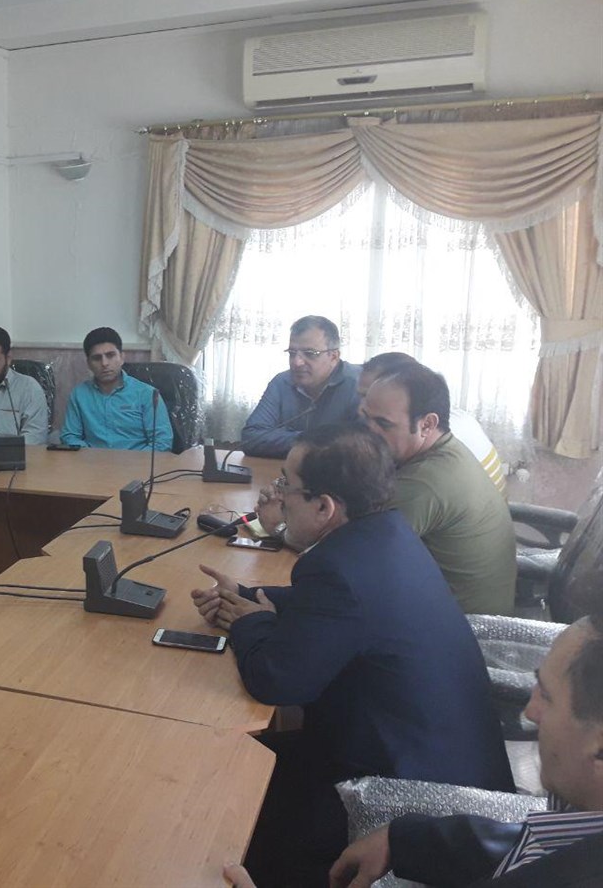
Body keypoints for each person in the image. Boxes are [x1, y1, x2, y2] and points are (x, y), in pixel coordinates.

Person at [192, 422, 513, 888]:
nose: (277, 496)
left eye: (286, 485)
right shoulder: (388, 533)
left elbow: (277, 680)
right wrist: (245, 595)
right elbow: (335, 609)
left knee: (229, 783)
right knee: (242, 763)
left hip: (406, 792)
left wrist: (246, 620)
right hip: (448, 765)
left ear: (324, 507)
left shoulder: (336, 568)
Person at [329, 607, 603, 888]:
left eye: (546, 696)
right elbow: (531, 846)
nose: (530, 710)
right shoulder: (581, 808)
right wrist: (405, 840)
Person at [360, 361, 516, 615]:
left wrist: (294, 530)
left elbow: (359, 561)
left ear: (427, 424)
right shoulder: (449, 449)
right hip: (467, 608)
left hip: (465, 625)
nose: (368, 432)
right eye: (366, 418)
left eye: (383, 424)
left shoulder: (423, 483)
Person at [358, 351, 507, 492]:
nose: (361, 407)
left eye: (369, 394)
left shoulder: (436, 435)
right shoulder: (448, 417)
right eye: (360, 396)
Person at [239, 315, 362, 458]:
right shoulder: (281, 382)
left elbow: (360, 448)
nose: (297, 362)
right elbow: (251, 437)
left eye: (310, 354)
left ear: (333, 357)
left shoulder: (360, 385)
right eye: (292, 353)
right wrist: (312, 440)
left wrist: (290, 439)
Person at [60, 327, 172, 450]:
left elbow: (162, 442)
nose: (104, 363)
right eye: (97, 358)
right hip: (93, 460)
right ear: (89, 364)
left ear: (122, 358)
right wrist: (91, 456)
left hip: (137, 460)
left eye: (110, 355)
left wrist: (132, 460)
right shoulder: (79, 394)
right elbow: (70, 436)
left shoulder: (147, 394)